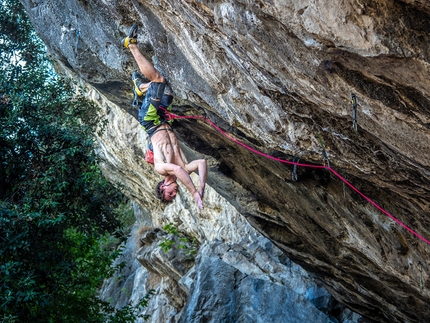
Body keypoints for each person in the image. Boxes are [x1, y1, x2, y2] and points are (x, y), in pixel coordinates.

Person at [123, 24, 207, 210]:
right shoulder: (184, 167)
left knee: (158, 80)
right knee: (166, 89)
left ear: (163, 186)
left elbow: (176, 169)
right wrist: (201, 187)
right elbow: (201, 163)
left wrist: (194, 193)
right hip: (164, 119)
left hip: (151, 121)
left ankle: (131, 45)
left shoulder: (160, 168)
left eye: (170, 193)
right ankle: (141, 88)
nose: (175, 192)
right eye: (174, 195)